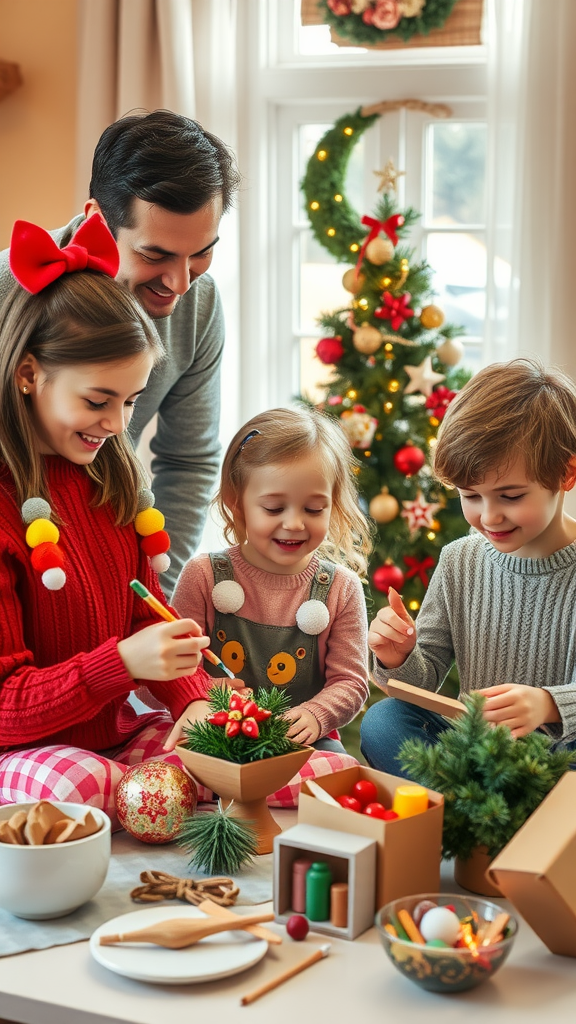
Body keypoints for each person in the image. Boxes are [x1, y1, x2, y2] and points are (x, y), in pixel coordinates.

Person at [0, 214, 215, 821]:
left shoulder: (111, 479)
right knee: (79, 786)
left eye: (130, 401)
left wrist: (191, 700)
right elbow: (5, 706)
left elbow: (145, 610)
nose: (119, 425)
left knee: (240, 742)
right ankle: (137, 795)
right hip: (26, 752)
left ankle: (142, 792)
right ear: (27, 373)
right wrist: (120, 664)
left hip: (116, 737)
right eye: (98, 401)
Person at [0, 110, 241, 595]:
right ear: (98, 220)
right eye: (155, 256)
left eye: (201, 253)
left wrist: (155, 593)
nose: (180, 284)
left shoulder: (201, 301)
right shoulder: (8, 289)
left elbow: (188, 460)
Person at [361, 358, 576, 777]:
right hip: (471, 752)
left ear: (566, 473)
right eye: (471, 496)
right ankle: (484, 816)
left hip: (557, 758)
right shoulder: (460, 560)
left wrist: (548, 704)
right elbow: (421, 683)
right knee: (384, 721)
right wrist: (398, 657)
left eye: (510, 496)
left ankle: (478, 818)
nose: (489, 516)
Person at [173, 406, 372, 754]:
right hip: (213, 731)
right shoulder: (203, 576)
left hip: (301, 741)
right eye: (274, 508)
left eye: (313, 509)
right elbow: (168, 672)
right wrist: (207, 693)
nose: (295, 524)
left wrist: (316, 714)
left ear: (334, 505)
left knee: (336, 775)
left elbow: (351, 682)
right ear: (238, 503)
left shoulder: (341, 589)